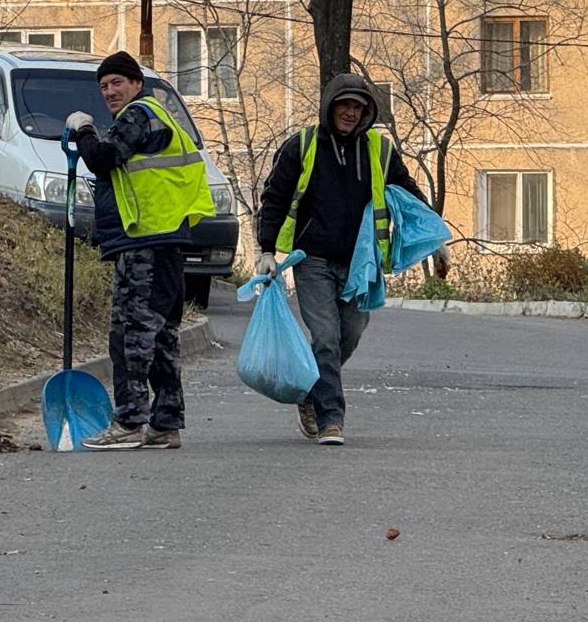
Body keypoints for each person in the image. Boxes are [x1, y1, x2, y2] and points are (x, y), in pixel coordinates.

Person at [254, 73, 450, 446]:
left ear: (366, 113)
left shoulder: (379, 149)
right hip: (312, 258)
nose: (349, 112)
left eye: (357, 107)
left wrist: (436, 238)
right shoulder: (302, 146)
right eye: (343, 105)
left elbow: (409, 194)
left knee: (352, 334)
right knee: (325, 337)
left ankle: (311, 394)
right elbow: (275, 198)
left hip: (362, 263)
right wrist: (266, 251)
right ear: (330, 107)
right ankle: (331, 420)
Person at [63, 51, 216, 450]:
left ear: (135, 84)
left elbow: (104, 158)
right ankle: (165, 424)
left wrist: (84, 130)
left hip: (145, 242)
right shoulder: (161, 117)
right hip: (166, 239)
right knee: (162, 336)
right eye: (104, 86)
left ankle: (129, 423)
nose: (110, 92)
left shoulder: (137, 115)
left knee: (130, 335)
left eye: (117, 83)